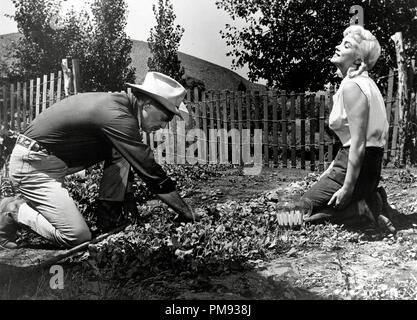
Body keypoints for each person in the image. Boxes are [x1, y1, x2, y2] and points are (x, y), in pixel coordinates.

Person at [0, 71, 201, 249]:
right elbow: (150, 171)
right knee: (77, 237)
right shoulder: (118, 117)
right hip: (33, 165)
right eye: (165, 117)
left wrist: (128, 203)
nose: (164, 125)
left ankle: (108, 216)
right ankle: (13, 209)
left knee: (121, 151)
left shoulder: (120, 107)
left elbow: (129, 162)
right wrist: (186, 212)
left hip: (51, 160)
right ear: (147, 104)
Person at [298, 25, 394, 231]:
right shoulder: (368, 84)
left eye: (346, 45)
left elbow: (358, 143)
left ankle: (362, 208)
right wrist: (331, 170)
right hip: (369, 168)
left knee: (297, 211)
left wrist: (347, 188)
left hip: (356, 167)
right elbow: (355, 140)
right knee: (307, 208)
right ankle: (371, 199)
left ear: (358, 60)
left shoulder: (352, 86)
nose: (337, 46)